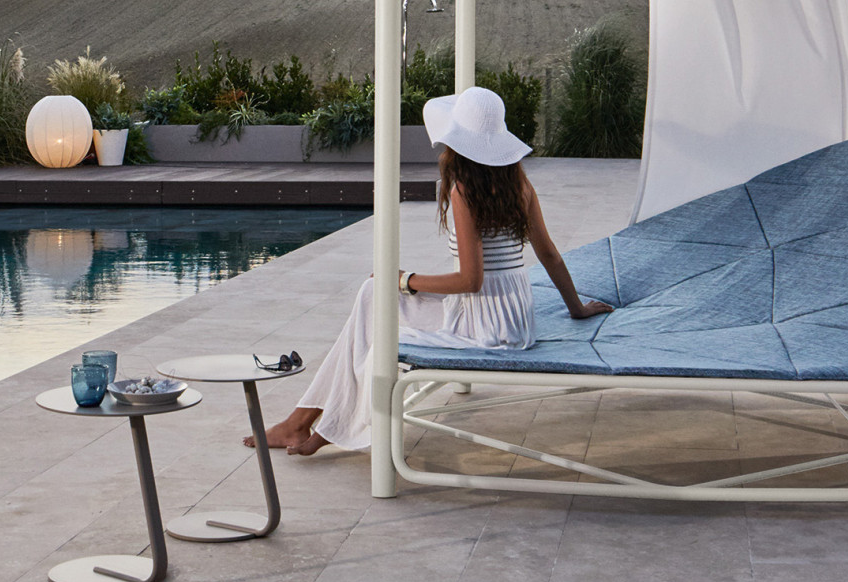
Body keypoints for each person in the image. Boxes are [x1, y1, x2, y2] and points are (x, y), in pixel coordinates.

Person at [250, 86, 612, 456]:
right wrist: (576, 308)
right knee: (372, 295)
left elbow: (471, 280)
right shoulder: (519, 183)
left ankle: (320, 425)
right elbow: (549, 254)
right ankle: (305, 422)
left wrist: (406, 280)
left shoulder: (464, 191)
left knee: (379, 309)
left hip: (484, 325)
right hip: (515, 318)